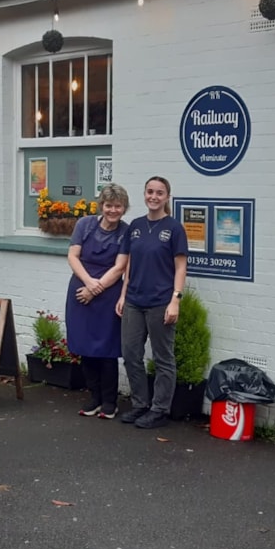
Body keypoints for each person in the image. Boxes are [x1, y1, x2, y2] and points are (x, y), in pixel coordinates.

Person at [118, 176, 188, 429]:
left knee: (162, 358)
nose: (154, 197)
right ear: (144, 194)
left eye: (159, 193)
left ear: (167, 197)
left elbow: (180, 267)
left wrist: (175, 300)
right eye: (150, 192)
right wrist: (124, 295)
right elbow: (130, 264)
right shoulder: (134, 226)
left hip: (161, 302)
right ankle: (140, 404)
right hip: (134, 301)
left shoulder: (174, 228)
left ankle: (159, 409)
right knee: (130, 353)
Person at [65, 183, 131, 418]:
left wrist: (96, 288)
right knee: (85, 347)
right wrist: (88, 283)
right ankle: (94, 397)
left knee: (107, 349)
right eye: (109, 205)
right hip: (81, 290)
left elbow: (120, 266)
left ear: (124, 208)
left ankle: (110, 402)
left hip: (108, 293)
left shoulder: (125, 231)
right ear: (101, 205)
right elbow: (73, 256)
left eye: (118, 206)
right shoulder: (84, 225)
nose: (113, 210)